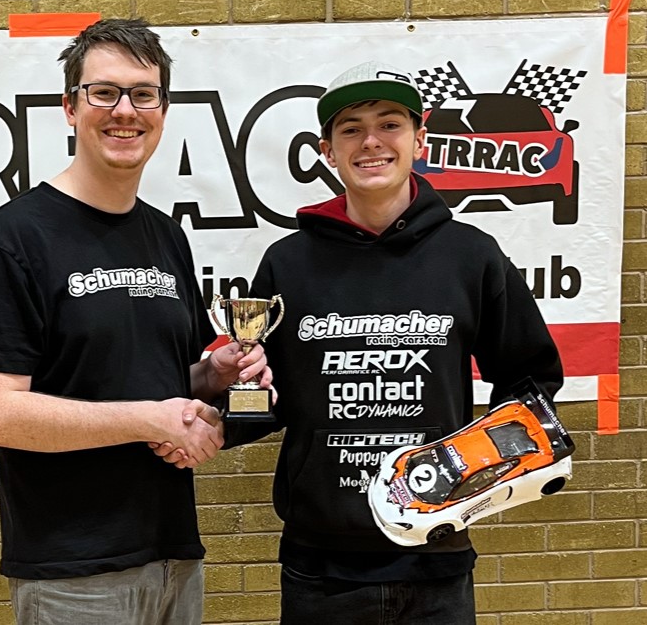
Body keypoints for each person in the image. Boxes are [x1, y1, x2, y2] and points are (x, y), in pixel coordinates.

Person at [0, 18, 271, 625]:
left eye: (143, 94)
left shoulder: (166, 236)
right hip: (73, 572)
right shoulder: (13, 238)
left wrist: (216, 375)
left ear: (163, 110)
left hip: (173, 556)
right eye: (104, 92)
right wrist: (149, 419)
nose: (125, 110)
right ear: (70, 108)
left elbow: (159, 380)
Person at [223, 61, 564, 624]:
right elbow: (263, 393)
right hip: (321, 564)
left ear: (420, 140)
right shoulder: (287, 263)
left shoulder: (471, 255)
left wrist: (479, 469)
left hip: (436, 558)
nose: (371, 141)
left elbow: (530, 377)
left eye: (389, 124)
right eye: (351, 129)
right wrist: (207, 422)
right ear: (328, 151)